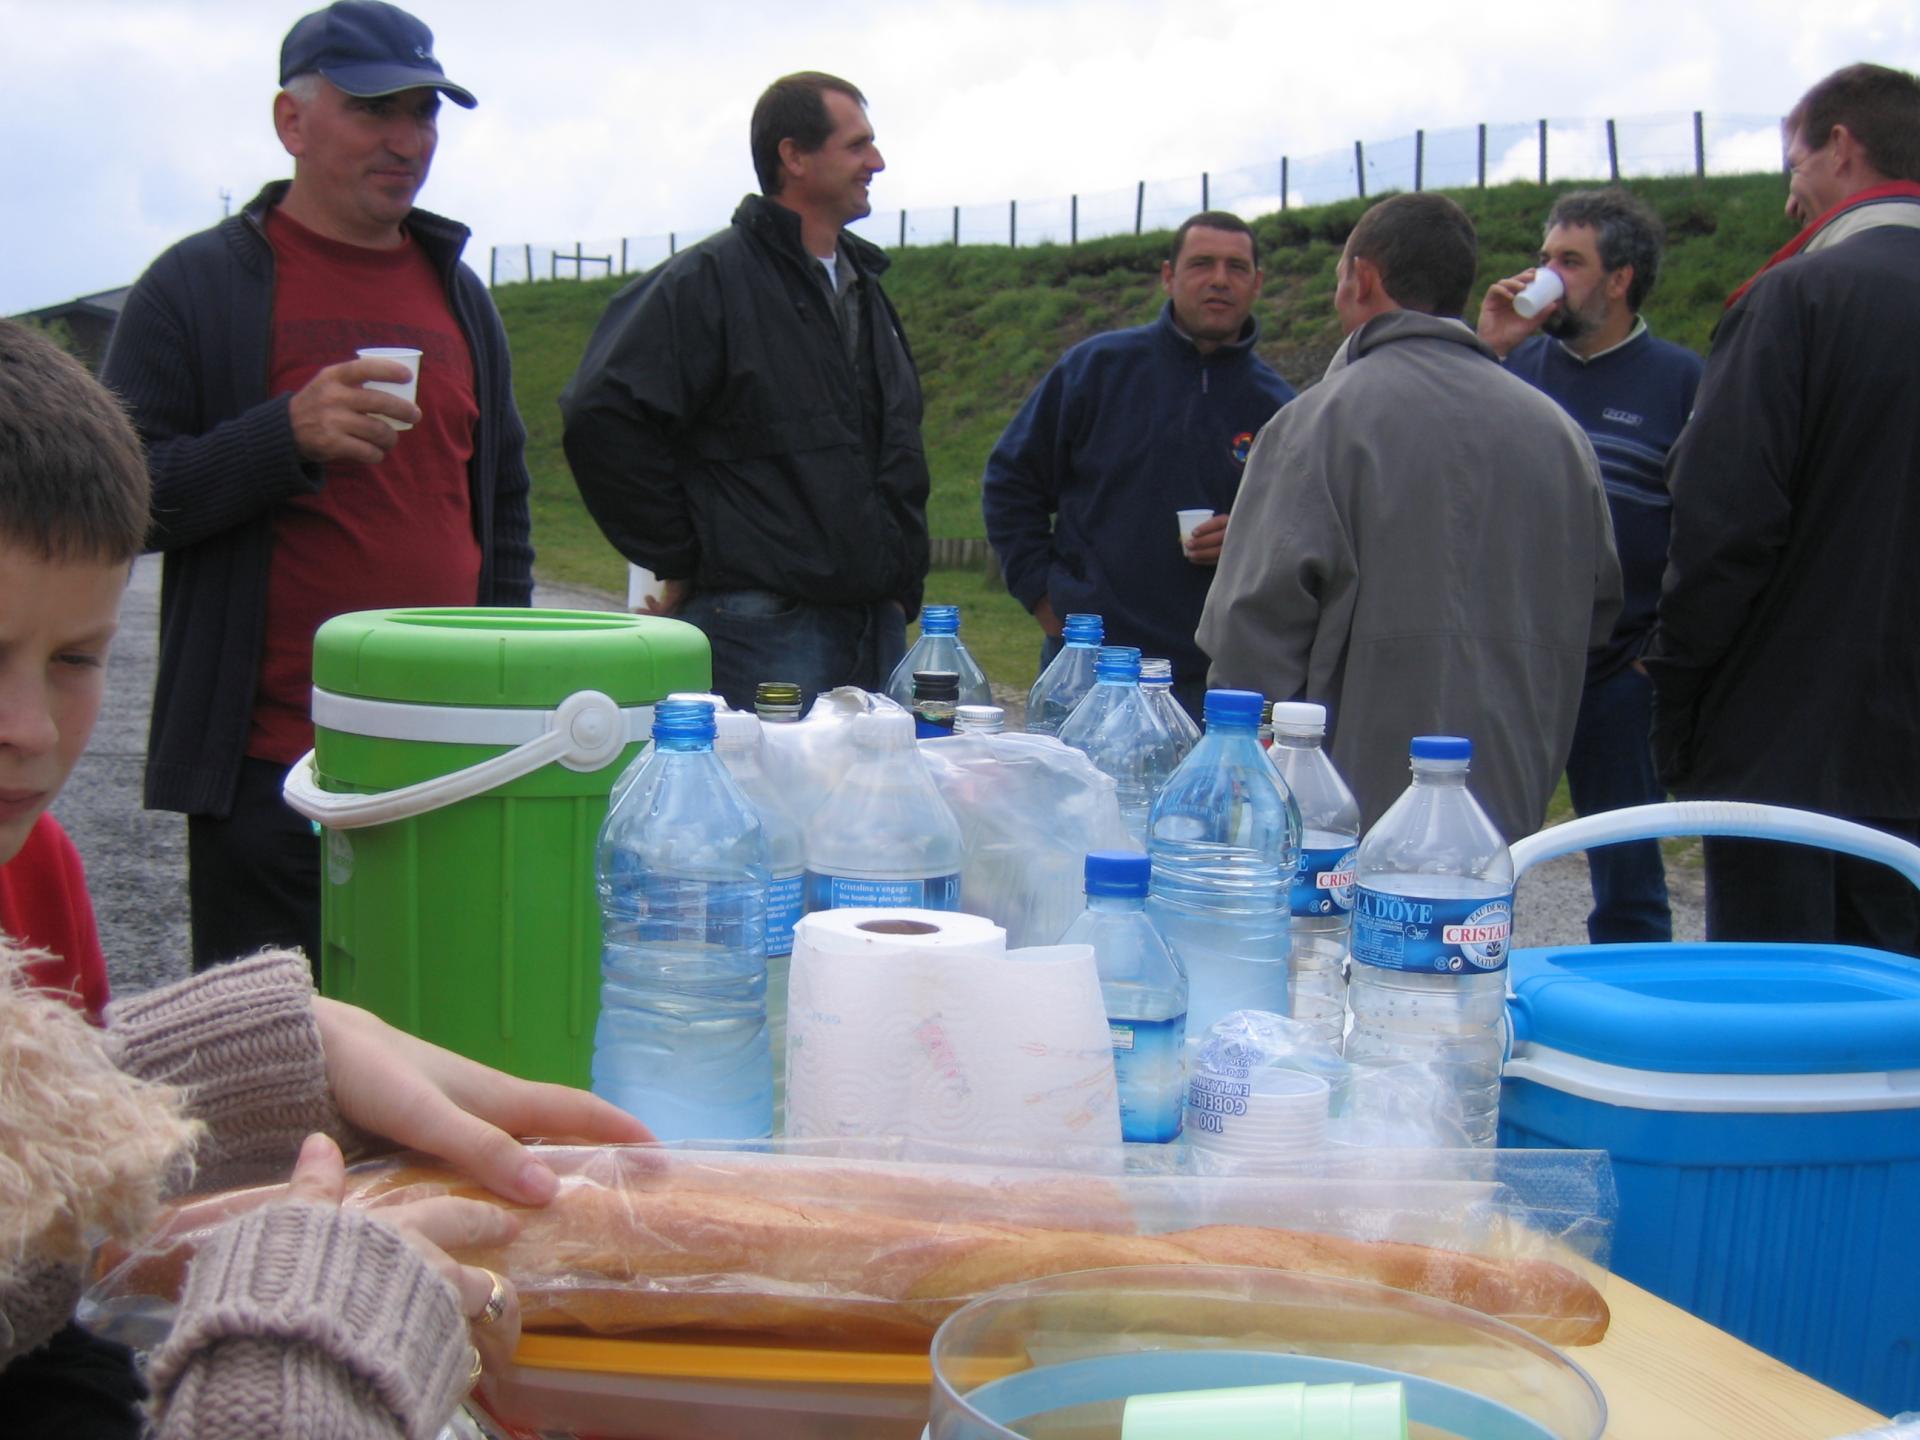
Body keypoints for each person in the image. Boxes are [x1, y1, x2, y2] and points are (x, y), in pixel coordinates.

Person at [0, 316, 649, 1438]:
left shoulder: (36, 864)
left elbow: (44, 1327)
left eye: (75, 659)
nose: (27, 729)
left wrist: (193, 1074)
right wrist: (308, 1337)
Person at [100, 1, 534, 976]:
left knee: (439, 1045)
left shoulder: (461, 295)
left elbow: (501, 515)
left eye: (424, 112)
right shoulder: (196, 288)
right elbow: (114, 501)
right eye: (376, 109)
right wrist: (279, 436)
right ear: (291, 123)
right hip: (273, 771)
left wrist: (509, 709)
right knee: (276, 1066)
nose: (408, 140)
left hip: (448, 760)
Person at [1198, 193, 1621, 843]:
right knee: (1476, 941)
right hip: (1504, 805)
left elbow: (1250, 631)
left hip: (1344, 817)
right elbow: (1598, 610)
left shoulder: (1317, 423)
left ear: (1362, 277)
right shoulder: (1561, 436)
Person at [1644, 63, 1920, 954]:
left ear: (1841, 148)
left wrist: (1679, 696)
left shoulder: (1796, 296)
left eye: (1793, 163)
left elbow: (1724, 526)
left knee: (1781, 1032)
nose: (1791, 196)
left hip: (1791, 754)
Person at [560, 71, 929, 713]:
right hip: (764, 634)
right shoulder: (709, 283)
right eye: (857, 145)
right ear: (794, 156)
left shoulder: (867, 291)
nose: (878, 161)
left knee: (868, 814)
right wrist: (690, 552)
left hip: (876, 631)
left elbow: (893, 449)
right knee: (771, 812)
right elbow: (603, 413)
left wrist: (899, 588)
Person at [1476, 189, 1704, 942]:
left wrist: (1656, 657)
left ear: (1621, 278)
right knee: (1473, 860)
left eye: (1570, 261)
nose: (1545, 274)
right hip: (1509, 665)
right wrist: (1492, 349)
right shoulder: (1508, 367)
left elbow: (1704, 529)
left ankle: (1635, 1039)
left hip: (1618, 674)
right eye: (1544, 257)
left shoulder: (1680, 381)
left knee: (1629, 880)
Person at [981, 212, 1297, 718]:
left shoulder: (1281, 407)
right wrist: (1045, 600)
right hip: (1091, 668)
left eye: (1236, 267)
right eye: (1201, 264)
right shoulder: (1097, 370)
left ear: (1257, 284)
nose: (1219, 279)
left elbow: (1301, 535)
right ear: (1169, 276)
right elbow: (1010, 482)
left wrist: (1248, 537)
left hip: (1212, 677)